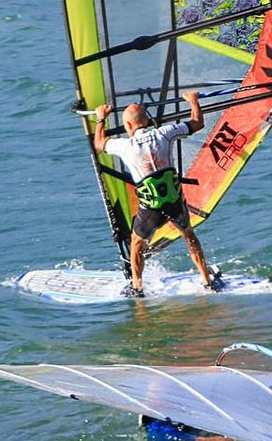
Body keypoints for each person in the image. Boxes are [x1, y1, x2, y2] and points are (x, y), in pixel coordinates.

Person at [91, 94, 220, 296]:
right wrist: (193, 101)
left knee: (136, 243)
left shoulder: (125, 146)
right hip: (175, 202)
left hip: (151, 208)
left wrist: (101, 117)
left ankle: (137, 287)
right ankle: (207, 281)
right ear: (147, 120)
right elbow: (197, 123)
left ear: (127, 124)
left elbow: (99, 144)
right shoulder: (165, 133)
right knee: (189, 235)